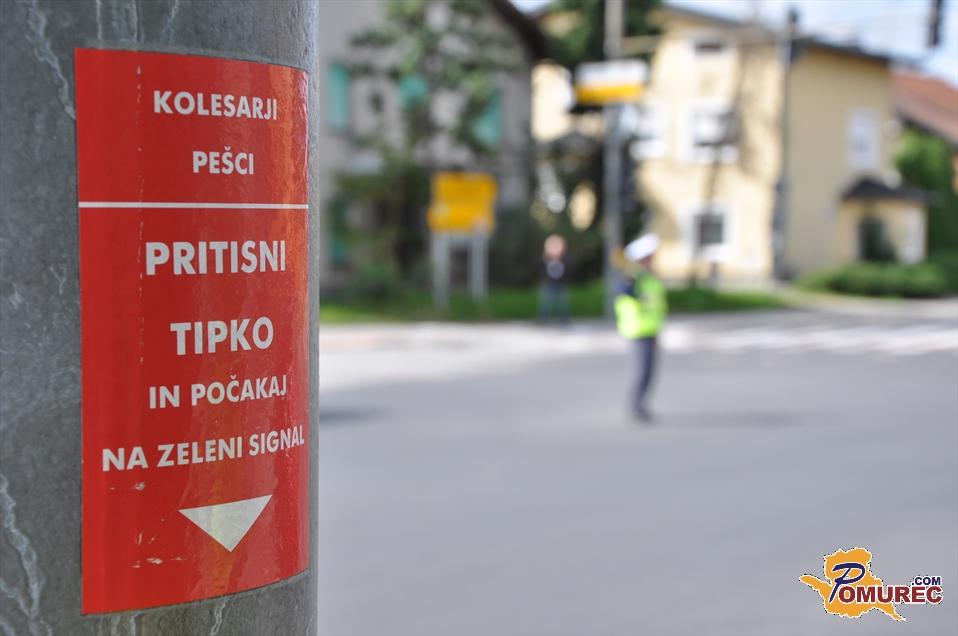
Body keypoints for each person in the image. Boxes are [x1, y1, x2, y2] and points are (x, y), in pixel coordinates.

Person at [614, 233, 667, 422]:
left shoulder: (646, 276)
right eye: (649, 257)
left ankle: (640, 405)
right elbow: (624, 292)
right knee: (641, 371)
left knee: (648, 371)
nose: (652, 261)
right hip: (638, 329)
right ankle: (635, 406)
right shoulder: (633, 276)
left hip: (650, 328)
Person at [538, 234, 570, 324]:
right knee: (545, 303)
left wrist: (559, 258)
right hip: (548, 283)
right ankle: (543, 319)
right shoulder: (545, 259)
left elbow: (568, 268)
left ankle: (563, 319)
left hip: (560, 283)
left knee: (562, 303)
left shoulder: (564, 259)